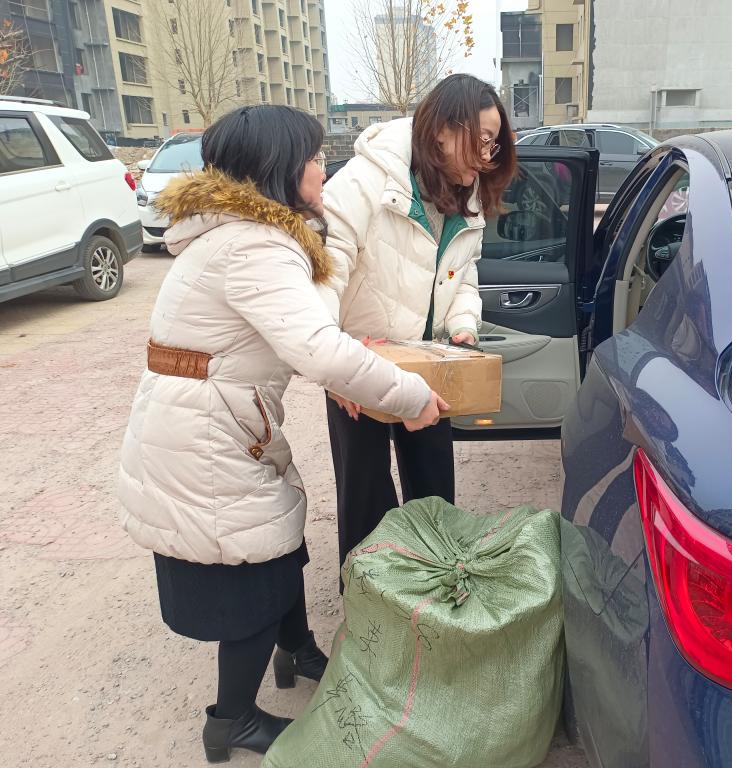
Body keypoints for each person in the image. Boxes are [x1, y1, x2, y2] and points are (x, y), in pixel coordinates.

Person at [116, 105, 446, 763]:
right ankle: (231, 720)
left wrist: (348, 371)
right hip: (207, 433)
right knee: (252, 574)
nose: (323, 170)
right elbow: (317, 348)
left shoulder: (240, 235)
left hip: (218, 419)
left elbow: (299, 332)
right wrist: (409, 397)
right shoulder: (255, 245)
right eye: (314, 158)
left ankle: (295, 651)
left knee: (277, 537)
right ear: (280, 168)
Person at [321, 74, 517, 570]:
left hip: (429, 364)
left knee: (434, 490)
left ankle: (436, 583)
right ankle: (368, 595)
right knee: (365, 494)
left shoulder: (467, 195)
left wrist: (463, 324)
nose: (486, 156)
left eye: (494, 144)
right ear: (442, 131)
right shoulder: (362, 185)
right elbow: (323, 280)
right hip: (360, 367)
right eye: (481, 140)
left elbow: (464, 273)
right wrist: (333, 366)